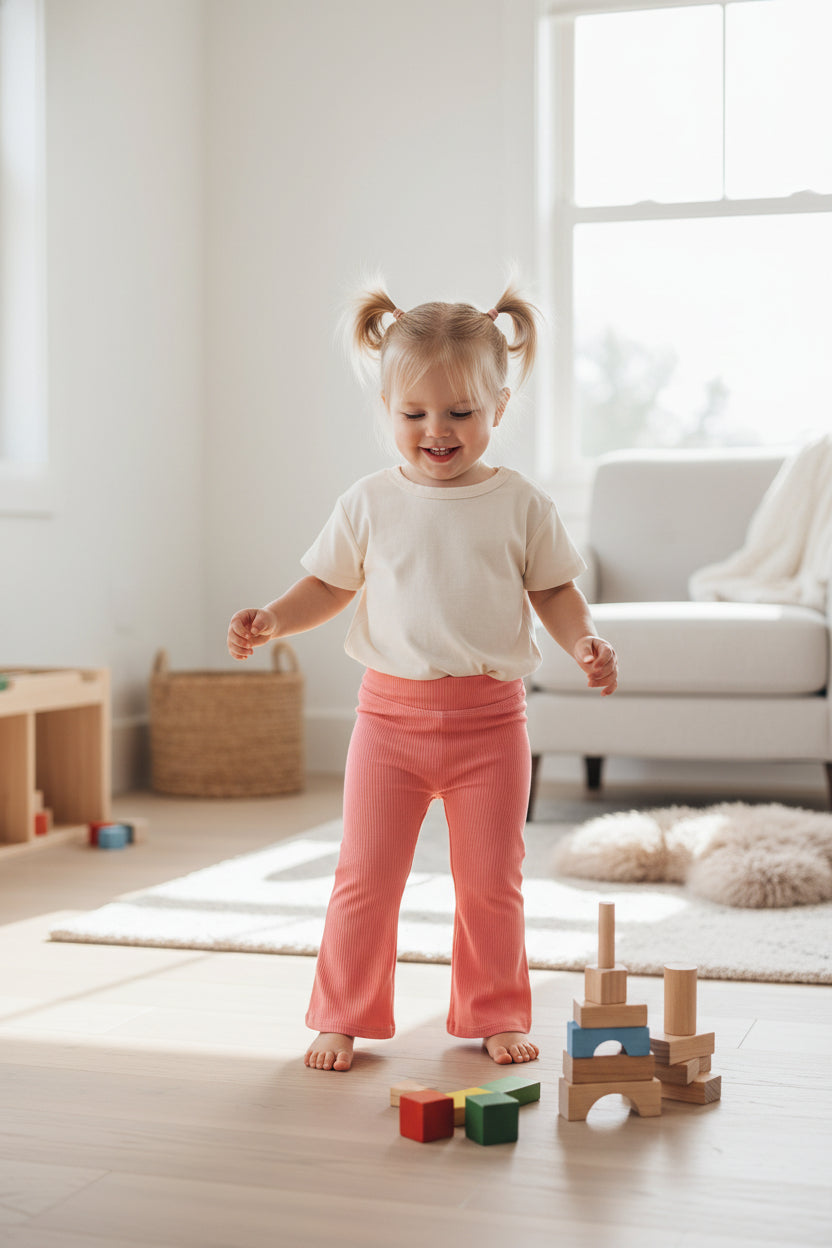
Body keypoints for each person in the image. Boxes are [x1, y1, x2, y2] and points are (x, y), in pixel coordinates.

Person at [227, 282, 618, 1073]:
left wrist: (586, 642)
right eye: (415, 415)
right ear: (387, 408)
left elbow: (554, 593)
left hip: (490, 726)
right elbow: (330, 586)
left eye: (461, 414)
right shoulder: (368, 502)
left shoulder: (522, 504)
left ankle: (495, 1009)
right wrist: (273, 616)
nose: (437, 432)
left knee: (490, 884)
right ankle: (342, 1012)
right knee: (365, 878)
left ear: (499, 407)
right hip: (388, 726)